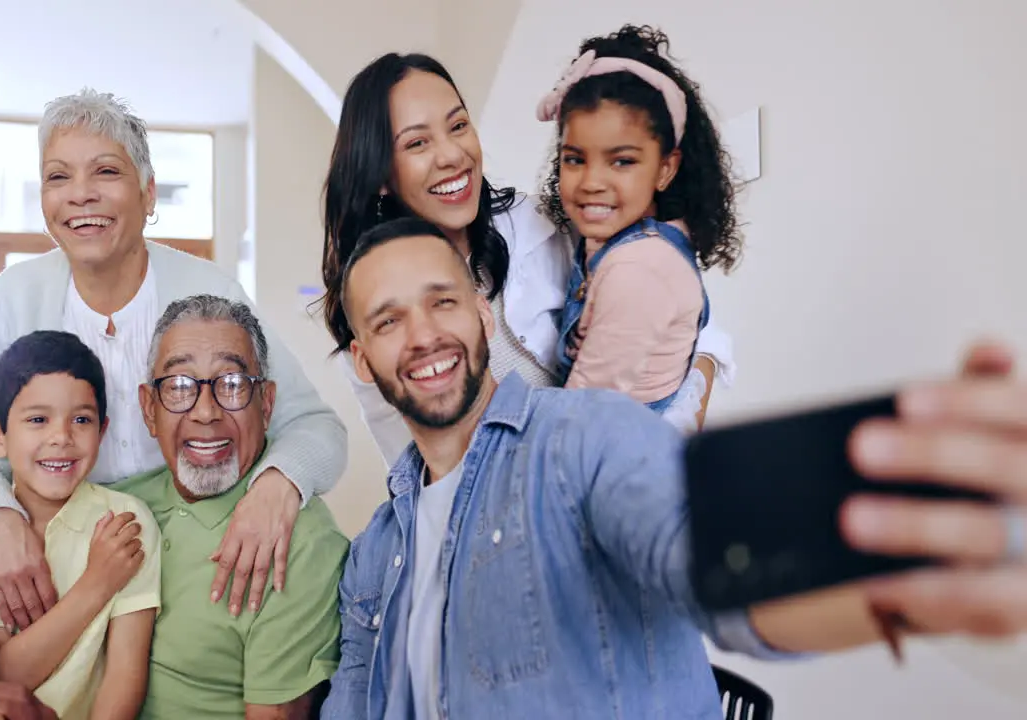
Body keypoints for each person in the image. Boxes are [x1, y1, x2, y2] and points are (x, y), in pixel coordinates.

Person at [320, 217, 1027, 719]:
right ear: (362, 358)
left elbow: (708, 568)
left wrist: (888, 591)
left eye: (441, 302)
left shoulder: (586, 439)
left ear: (479, 311)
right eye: (387, 321)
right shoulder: (374, 554)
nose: (423, 336)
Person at [0, 88, 347, 632]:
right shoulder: (7, 301)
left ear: (149, 194)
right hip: (62, 579)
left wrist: (277, 484)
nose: (80, 195)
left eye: (105, 172)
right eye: (58, 177)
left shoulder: (208, 291)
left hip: (200, 569)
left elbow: (316, 429)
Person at [0, 296, 348, 720]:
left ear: (266, 404)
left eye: (231, 385)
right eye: (178, 387)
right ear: (149, 409)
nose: (206, 411)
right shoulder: (124, 503)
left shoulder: (295, 541)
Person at [319, 51, 732, 461]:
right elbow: (426, 474)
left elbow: (694, 332)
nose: (451, 155)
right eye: (417, 143)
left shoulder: (548, 224)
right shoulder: (374, 321)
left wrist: (667, 440)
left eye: (458, 125)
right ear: (380, 176)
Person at [0, 330, 160, 720]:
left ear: (102, 431)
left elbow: (125, 675)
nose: (61, 437)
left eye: (82, 419)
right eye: (38, 419)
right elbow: (0, 674)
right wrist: (96, 584)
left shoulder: (127, 523)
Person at [538, 26, 739, 427]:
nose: (592, 181)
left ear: (666, 168)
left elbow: (584, 417)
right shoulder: (620, 243)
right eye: (575, 159)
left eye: (622, 161)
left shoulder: (639, 267)